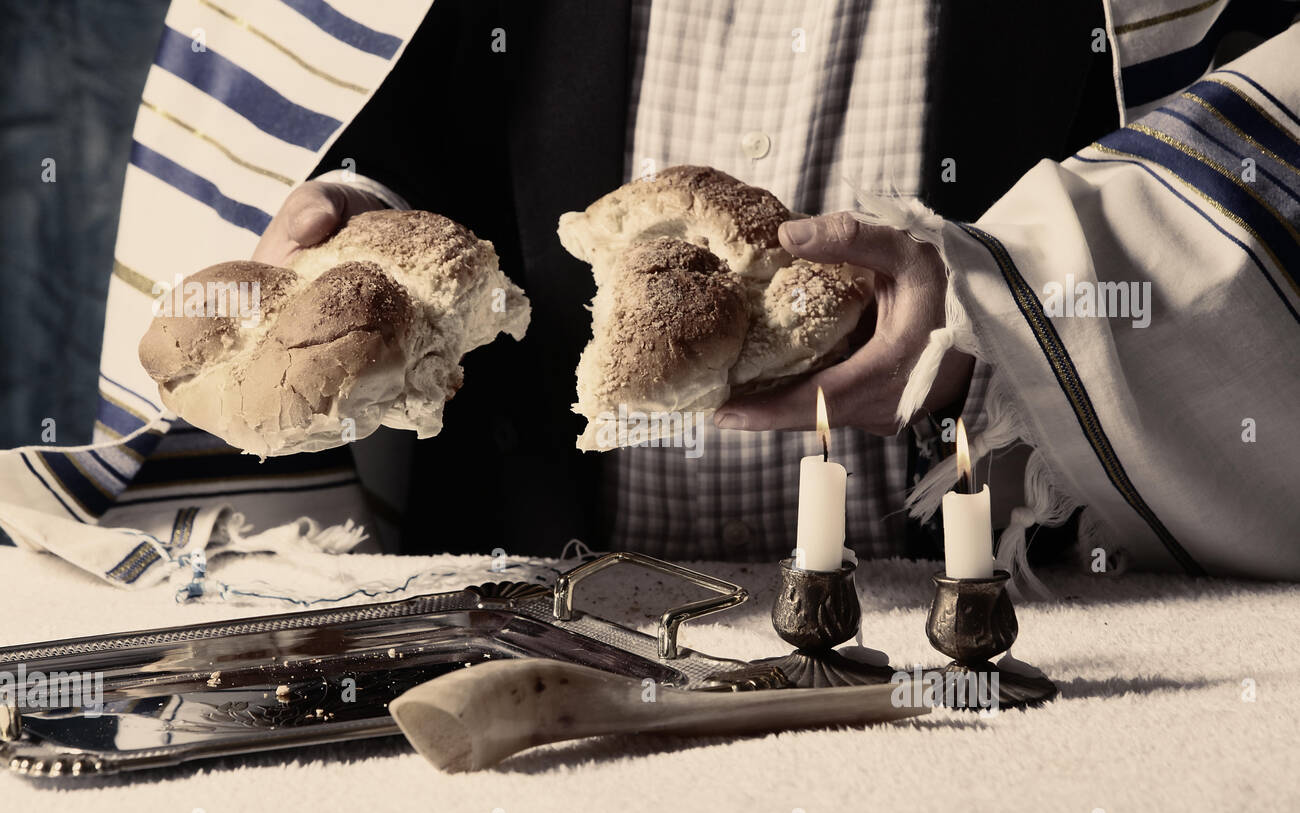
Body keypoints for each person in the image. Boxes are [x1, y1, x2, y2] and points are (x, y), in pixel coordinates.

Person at [3, 0, 1296, 592]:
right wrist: (344, 208)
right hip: (551, 626)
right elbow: (409, 98)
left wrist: (1027, 301)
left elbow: (1245, 139)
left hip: (1029, 617)